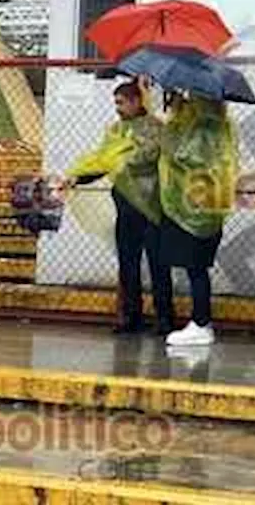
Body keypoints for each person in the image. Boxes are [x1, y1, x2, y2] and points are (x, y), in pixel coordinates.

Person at [64, 80, 170, 335]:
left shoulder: (155, 127)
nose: (117, 108)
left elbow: (147, 157)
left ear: (136, 101)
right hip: (125, 204)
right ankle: (131, 316)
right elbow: (104, 160)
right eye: (116, 103)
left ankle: (164, 317)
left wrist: (122, 158)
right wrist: (78, 177)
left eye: (121, 103)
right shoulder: (115, 130)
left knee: (159, 264)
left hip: (152, 205)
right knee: (128, 263)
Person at [158, 93, 238, 347]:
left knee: (196, 268)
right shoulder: (221, 124)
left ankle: (201, 323)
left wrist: (169, 124)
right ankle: (201, 321)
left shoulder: (205, 127)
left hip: (194, 210)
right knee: (198, 268)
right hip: (209, 209)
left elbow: (181, 155)